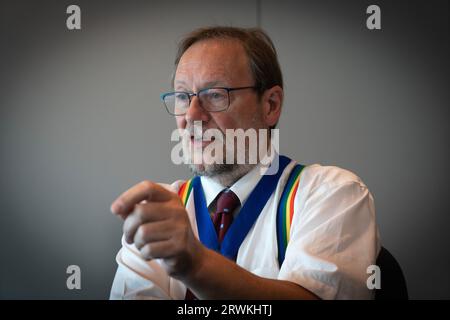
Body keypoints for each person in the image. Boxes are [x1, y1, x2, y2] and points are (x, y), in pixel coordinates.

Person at [109, 26, 380, 300]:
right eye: (182, 96)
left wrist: (197, 265)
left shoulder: (331, 194)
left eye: (215, 94)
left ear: (271, 105)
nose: (191, 116)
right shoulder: (157, 213)